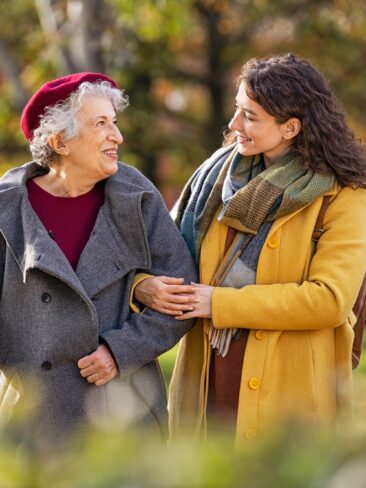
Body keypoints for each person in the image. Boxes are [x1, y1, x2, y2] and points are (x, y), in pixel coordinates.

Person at [134, 53, 366, 444]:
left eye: (250, 116)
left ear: (291, 126)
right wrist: (143, 285)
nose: (233, 125)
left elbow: (329, 300)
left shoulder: (343, 195)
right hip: (206, 382)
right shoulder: (214, 179)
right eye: (237, 110)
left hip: (290, 396)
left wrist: (220, 304)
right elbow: (161, 256)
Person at [0, 72, 197, 442]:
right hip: (35, 422)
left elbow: (181, 293)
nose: (117, 136)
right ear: (60, 141)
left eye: (115, 122)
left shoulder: (135, 195)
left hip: (124, 415)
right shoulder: (6, 210)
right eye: (101, 124)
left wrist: (120, 351)